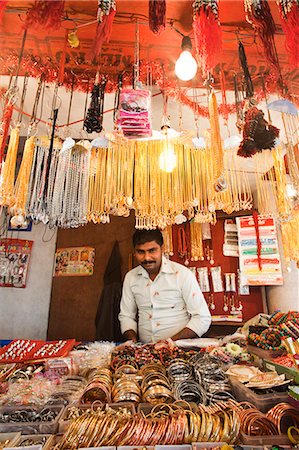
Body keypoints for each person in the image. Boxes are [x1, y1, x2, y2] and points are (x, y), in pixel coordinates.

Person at [119, 229, 212, 343]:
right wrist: (131, 342)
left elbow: (202, 318)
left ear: (162, 249)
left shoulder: (182, 274)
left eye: (152, 250)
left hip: (179, 350)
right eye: (140, 252)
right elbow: (126, 316)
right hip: (145, 351)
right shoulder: (131, 277)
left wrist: (170, 342)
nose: (147, 258)